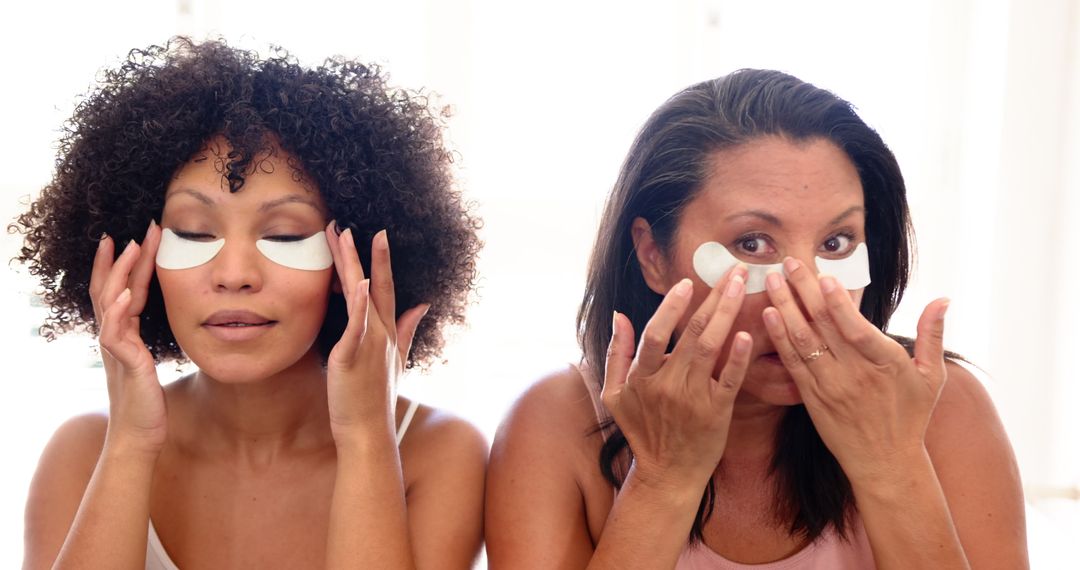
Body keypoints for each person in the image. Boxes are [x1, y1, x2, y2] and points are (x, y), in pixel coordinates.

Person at [485, 69, 1027, 569]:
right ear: (652, 255)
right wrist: (661, 482)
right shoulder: (557, 423)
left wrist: (891, 464)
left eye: (836, 242)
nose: (805, 289)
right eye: (752, 243)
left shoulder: (940, 407)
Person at [17, 38, 486, 569]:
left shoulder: (436, 452)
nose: (234, 275)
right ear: (139, 258)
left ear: (347, 259)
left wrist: (365, 439)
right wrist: (130, 441)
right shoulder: (83, 452)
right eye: (193, 234)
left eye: (285, 237)